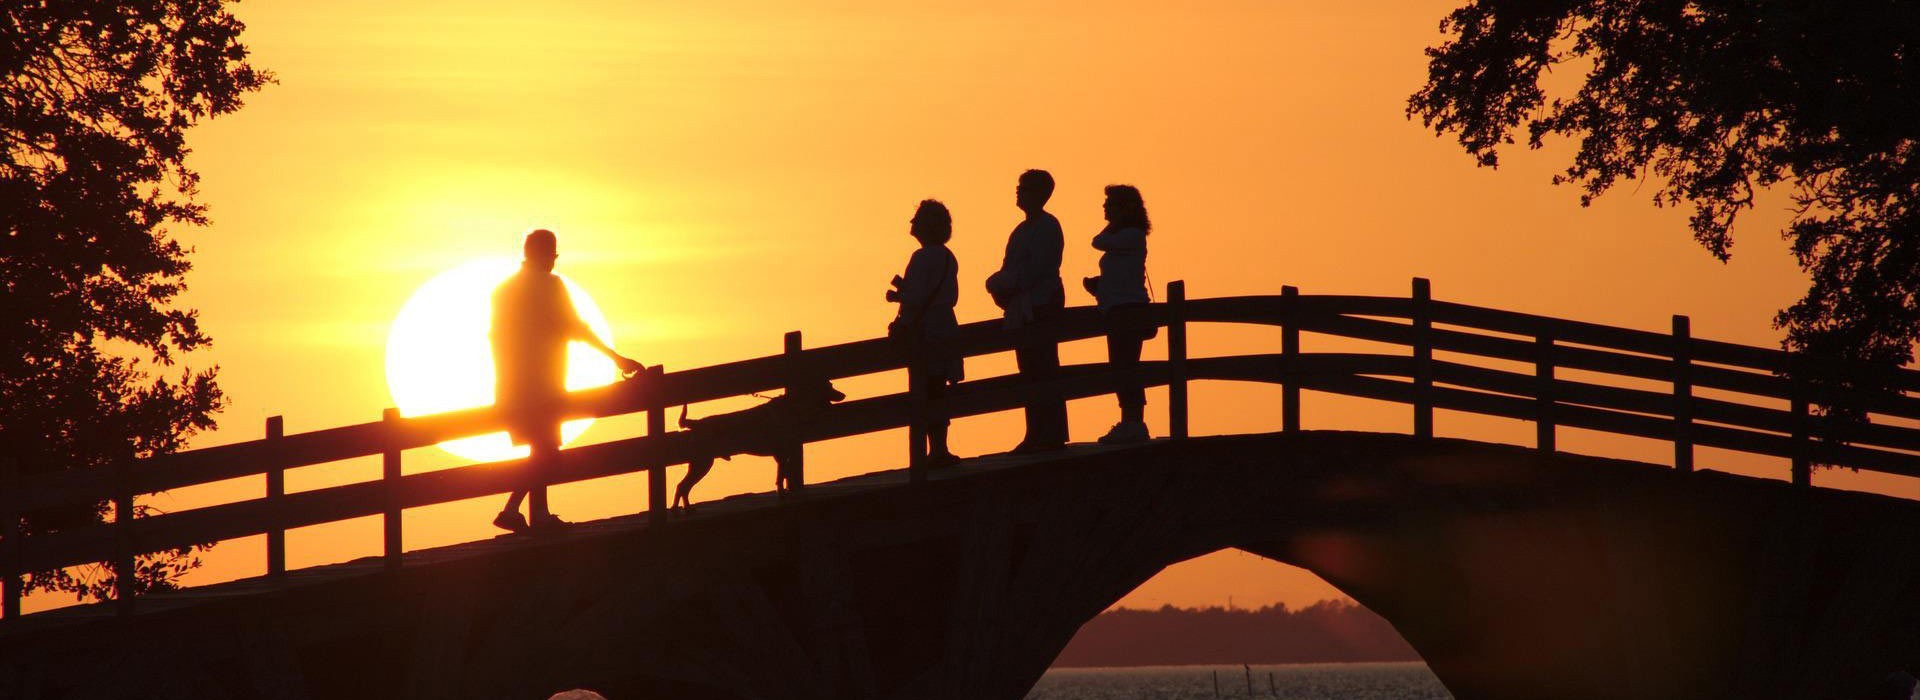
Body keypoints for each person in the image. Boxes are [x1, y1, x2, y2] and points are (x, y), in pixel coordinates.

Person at [491, 229, 644, 533]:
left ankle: (533, 513)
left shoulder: (504, 290)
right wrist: (615, 358)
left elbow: (497, 338)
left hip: (511, 385)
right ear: (545, 254)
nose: (553, 261)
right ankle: (517, 510)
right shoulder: (550, 285)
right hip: (543, 384)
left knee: (541, 450)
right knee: (546, 450)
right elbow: (574, 326)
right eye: (553, 255)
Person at [985, 169, 1068, 452]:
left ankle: (1051, 433)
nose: (1018, 192)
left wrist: (1006, 284)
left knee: (1044, 365)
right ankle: (1035, 431)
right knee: (1028, 369)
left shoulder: (1048, 226)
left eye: (1024, 188)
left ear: (1040, 193)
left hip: (1043, 302)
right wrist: (1002, 286)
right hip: (1022, 306)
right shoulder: (1020, 231)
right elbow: (1010, 266)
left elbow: (1037, 269)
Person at [888, 200, 964, 466]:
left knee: (924, 389)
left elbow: (917, 297)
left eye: (917, 219)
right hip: (945, 325)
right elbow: (948, 295)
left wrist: (898, 296)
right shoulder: (947, 255)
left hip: (925, 330)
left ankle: (931, 452)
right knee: (938, 388)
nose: (912, 223)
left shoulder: (921, 257)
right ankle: (940, 448)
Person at [1083, 184, 1154, 444]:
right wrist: (1099, 287)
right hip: (1117, 309)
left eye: (1111, 204)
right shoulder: (1126, 237)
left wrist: (1118, 221)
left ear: (1125, 209)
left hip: (1129, 310)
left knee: (1126, 366)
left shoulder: (1132, 235)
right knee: (1121, 366)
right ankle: (1129, 421)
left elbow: (1098, 241)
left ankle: (1134, 421)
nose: (1105, 207)